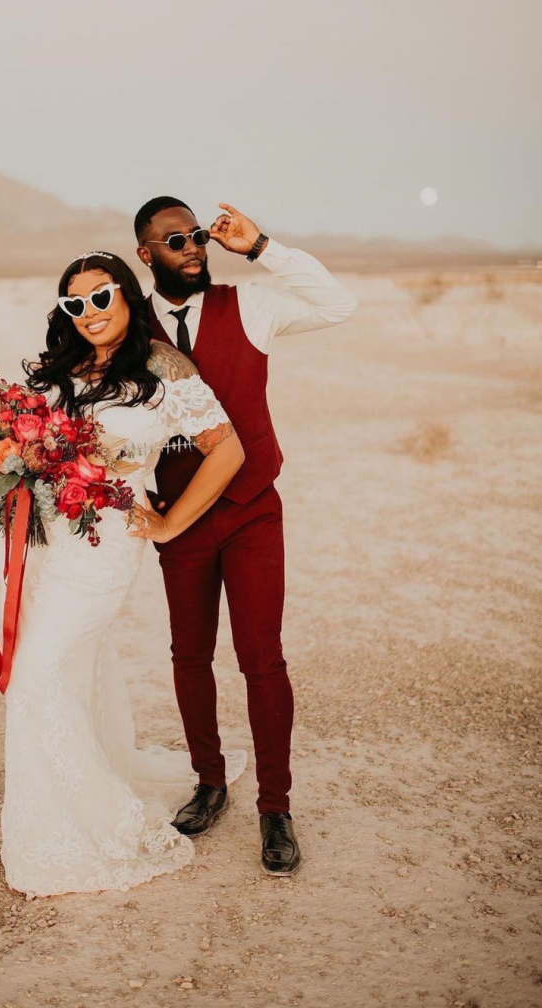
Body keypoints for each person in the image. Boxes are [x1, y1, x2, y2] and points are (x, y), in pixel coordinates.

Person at [0, 250, 248, 898]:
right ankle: (70, 796)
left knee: (35, 678)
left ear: (127, 295)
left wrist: (170, 524)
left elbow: (228, 449)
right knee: (69, 669)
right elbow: (41, 447)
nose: (89, 313)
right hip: (53, 542)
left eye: (101, 296)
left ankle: (92, 822)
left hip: (106, 548)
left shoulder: (163, 370)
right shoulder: (60, 371)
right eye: (74, 304)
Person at [133, 197, 359, 876]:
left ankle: (274, 807)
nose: (194, 248)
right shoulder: (130, 327)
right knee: (189, 654)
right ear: (146, 254)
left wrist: (261, 246)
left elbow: (336, 303)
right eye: (176, 241)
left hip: (253, 506)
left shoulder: (250, 306)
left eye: (198, 236)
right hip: (179, 517)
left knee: (262, 658)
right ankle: (209, 782)